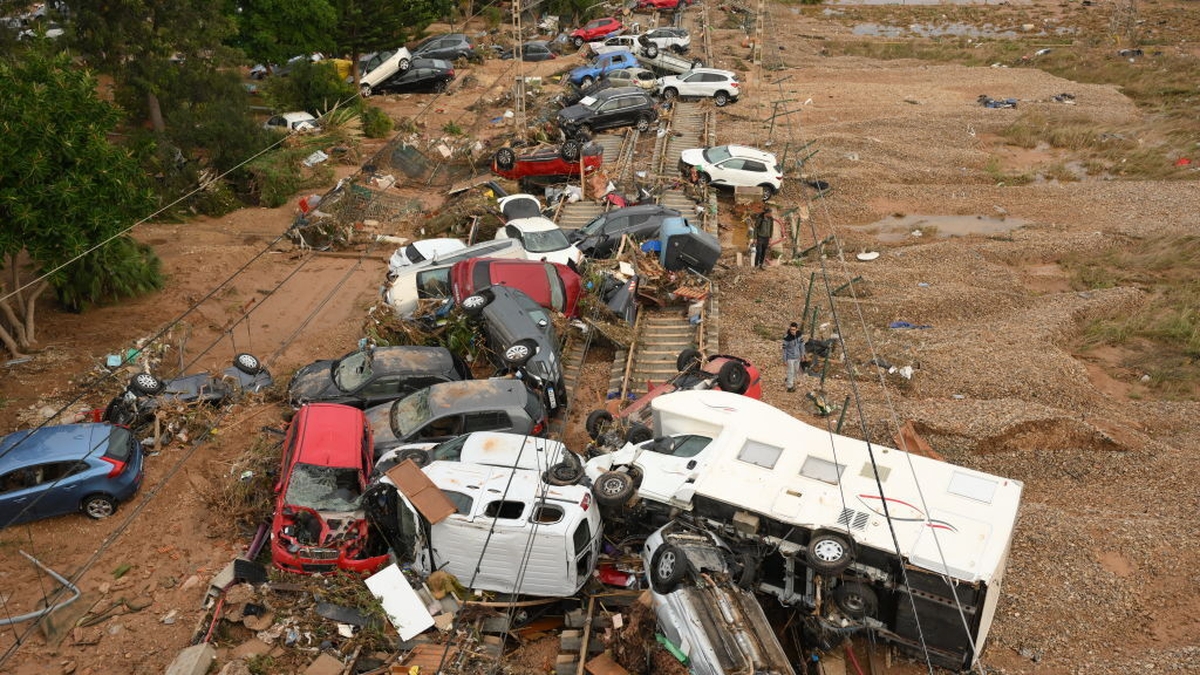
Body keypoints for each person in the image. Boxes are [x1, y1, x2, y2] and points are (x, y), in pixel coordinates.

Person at [783, 322, 805, 392]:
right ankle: (790, 387)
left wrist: (802, 355)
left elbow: (802, 345)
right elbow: (784, 349)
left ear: (797, 329)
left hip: (797, 357)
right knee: (791, 371)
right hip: (790, 358)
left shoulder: (800, 335)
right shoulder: (786, 337)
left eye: (794, 329)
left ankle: (790, 379)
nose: (792, 331)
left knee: (795, 371)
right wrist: (784, 360)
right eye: (791, 329)